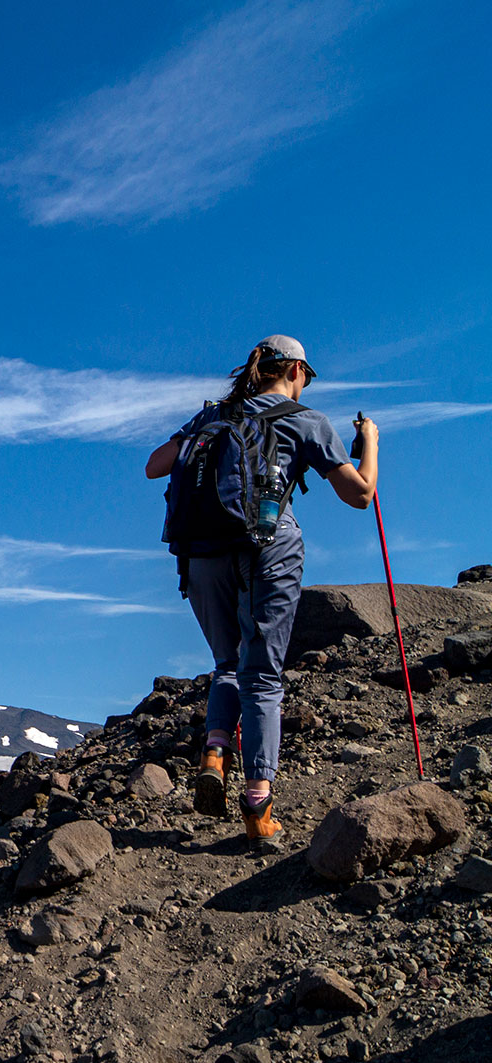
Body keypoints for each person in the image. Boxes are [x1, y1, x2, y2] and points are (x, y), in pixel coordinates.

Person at [145, 335, 379, 851]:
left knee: (227, 664)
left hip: (202, 552)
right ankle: (258, 804)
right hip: (270, 548)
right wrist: (372, 444)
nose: (306, 384)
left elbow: (155, 466)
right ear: (295, 369)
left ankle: (213, 752)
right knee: (263, 675)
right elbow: (360, 495)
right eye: (307, 376)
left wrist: (198, 433)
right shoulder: (306, 420)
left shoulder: (211, 417)